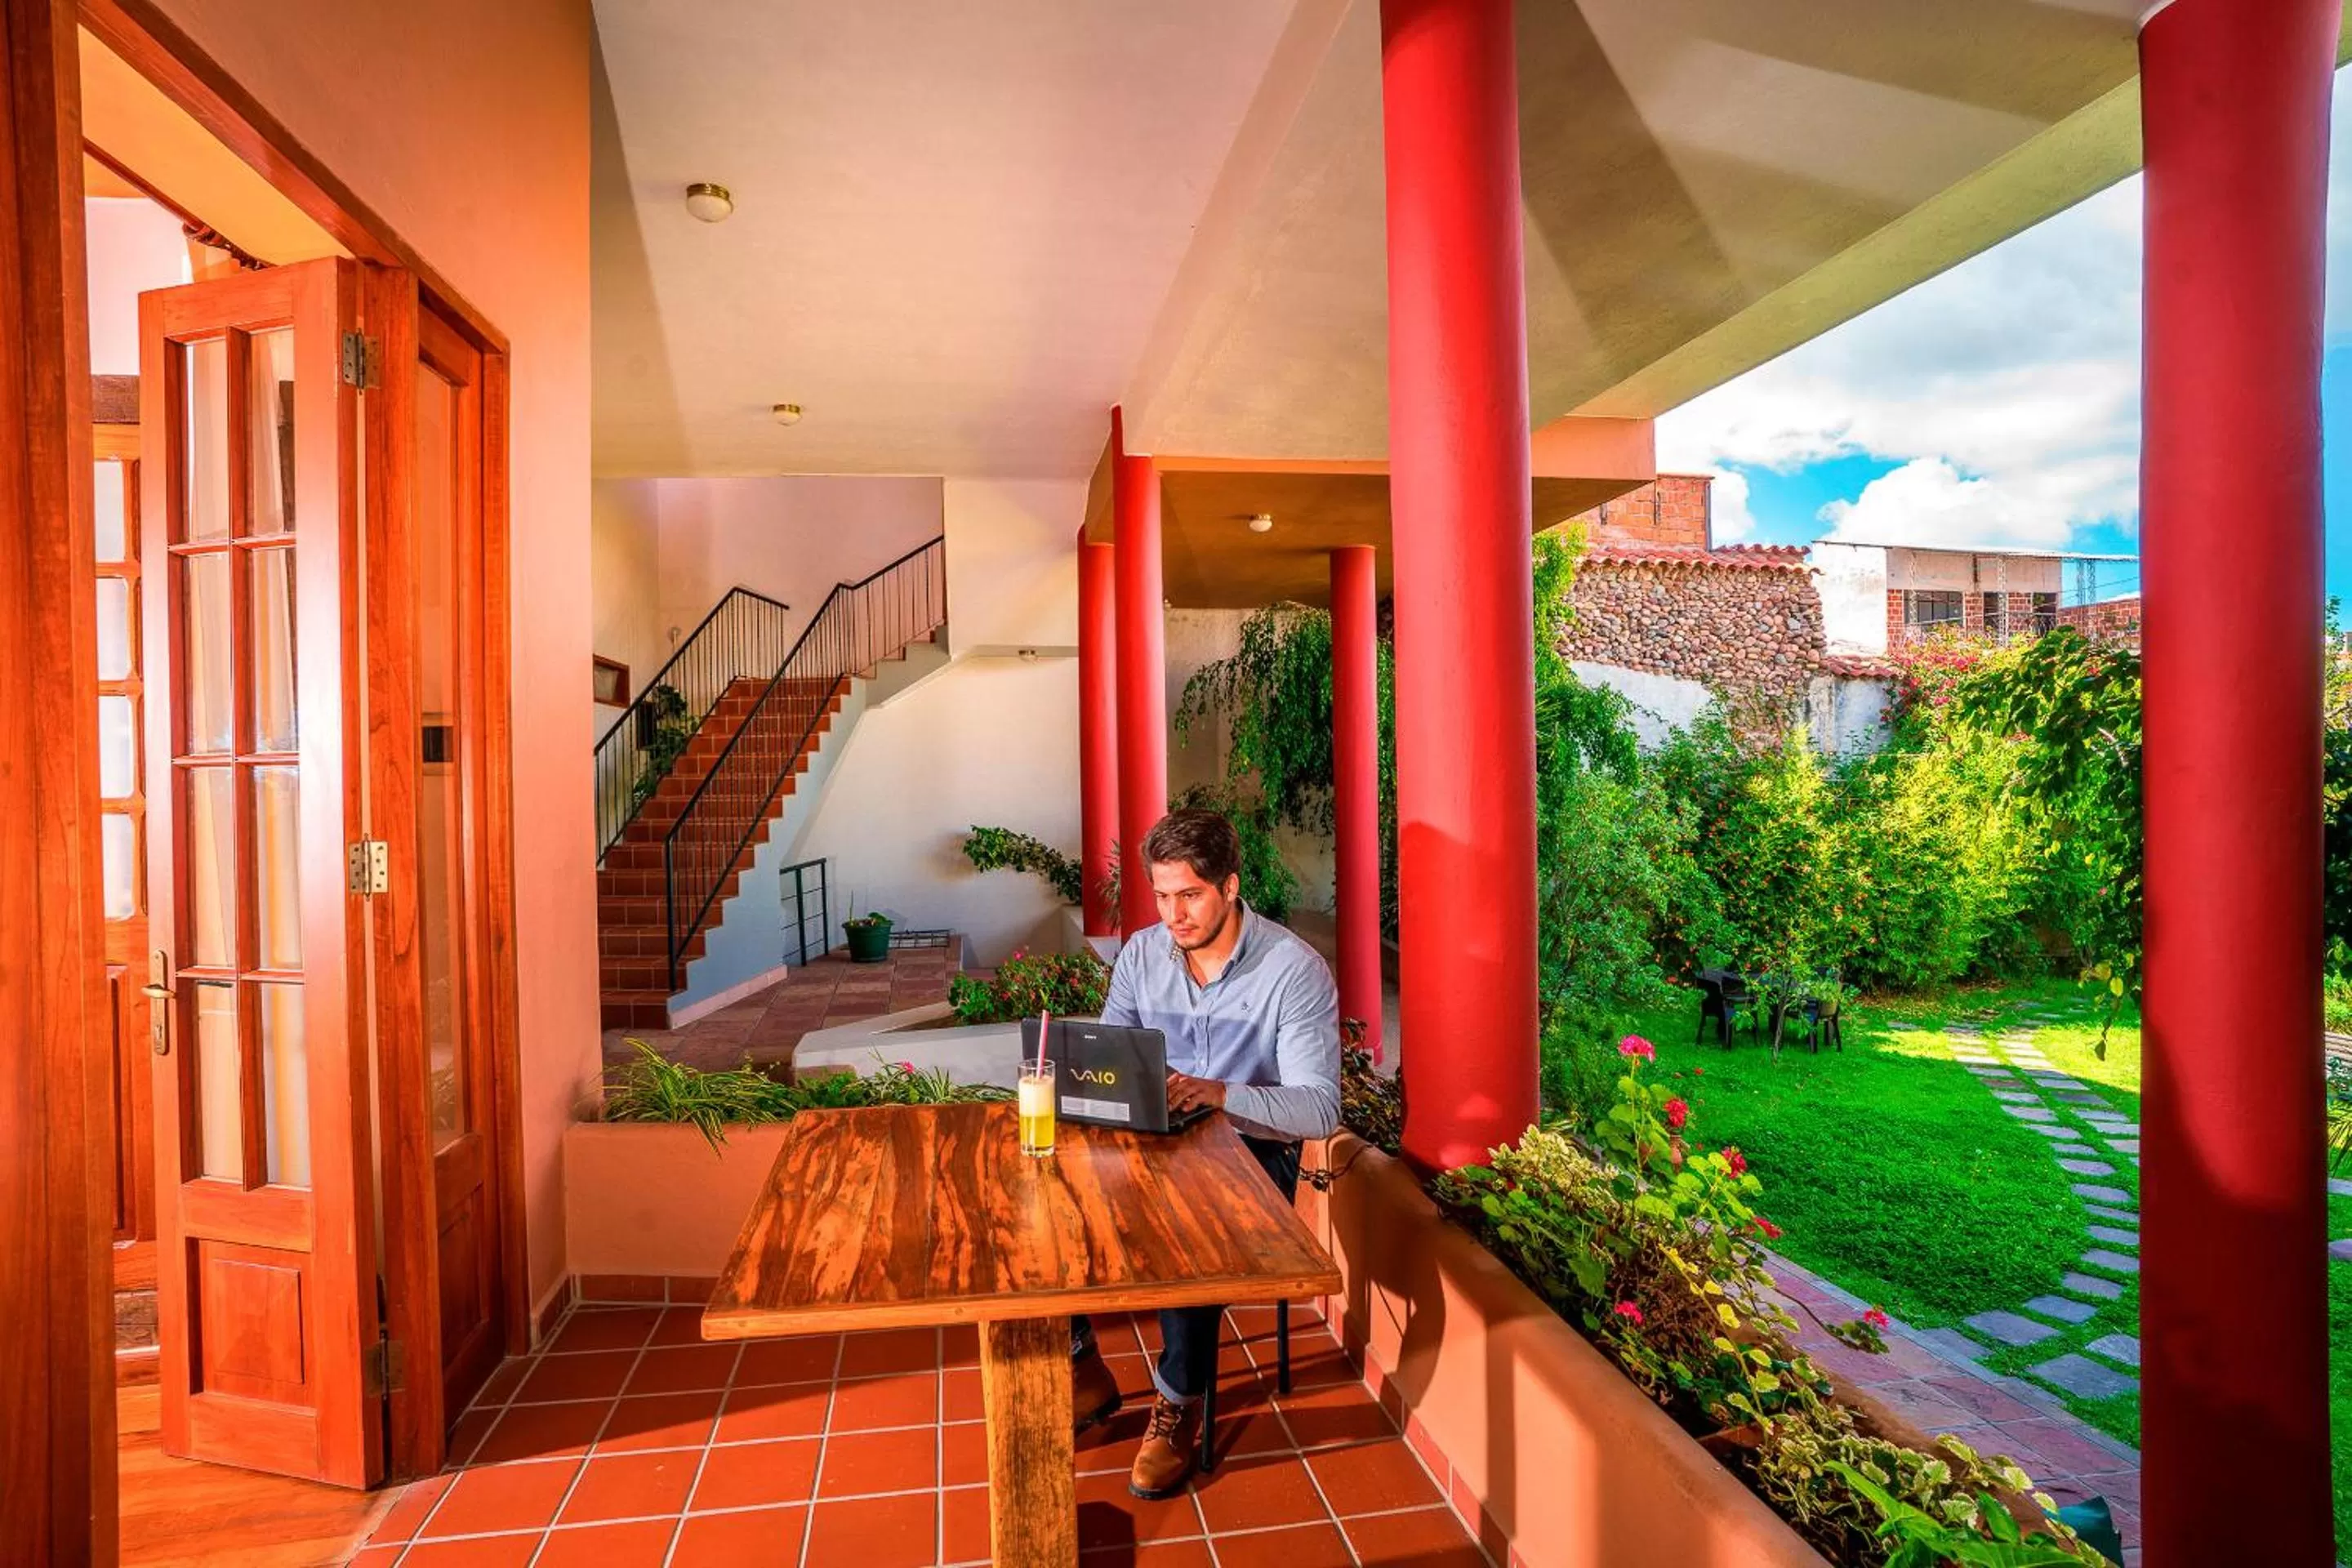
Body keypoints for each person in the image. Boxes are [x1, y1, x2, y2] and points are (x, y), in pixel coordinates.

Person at [1069, 807, 1341, 1499]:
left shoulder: (1293, 971)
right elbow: (1111, 1061)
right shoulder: (1141, 954)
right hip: (1158, 1140)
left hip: (1254, 1153)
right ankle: (1081, 1364)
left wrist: (1220, 1093)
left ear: (1230, 885)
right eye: (1162, 896)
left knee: (1184, 1227)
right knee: (1047, 1186)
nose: (1173, 915)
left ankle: (1179, 1399)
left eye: (1189, 895)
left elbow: (1319, 1107)